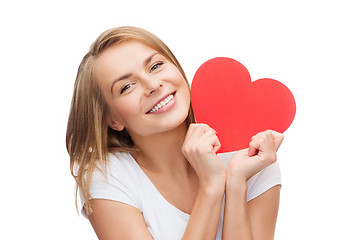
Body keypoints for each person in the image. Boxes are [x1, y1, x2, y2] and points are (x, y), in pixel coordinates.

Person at [66, 26, 284, 240]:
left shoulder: (251, 158)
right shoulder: (110, 176)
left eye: (156, 66)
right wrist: (211, 185)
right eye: (127, 87)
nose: (153, 84)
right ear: (113, 120)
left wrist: (236, 184)